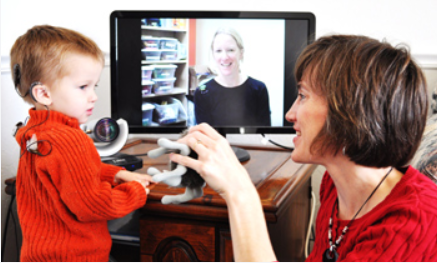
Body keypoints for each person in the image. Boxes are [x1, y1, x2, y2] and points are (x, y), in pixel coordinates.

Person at [171, 35, 437, 261]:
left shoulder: (413, 226)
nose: (289, 114)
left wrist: (240, 192)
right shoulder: (334, 187)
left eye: (302, 95)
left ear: (351, 113)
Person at [10, 25, 155, 262]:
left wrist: (116, 175)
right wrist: (136, 192)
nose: (94, 96)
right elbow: (92, 205)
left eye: (94, 86)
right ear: (44, 94)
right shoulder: (69, 138)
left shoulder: (34, 133)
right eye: (83, 87)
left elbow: (71, 173)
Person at [193, 27, 271, 126]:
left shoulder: (258, 89)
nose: (224, 57)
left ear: (241, 53)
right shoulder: (202, 92)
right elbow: (205, 136)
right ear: (213, 55)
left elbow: (264, 135)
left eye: (230, 50)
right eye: (218, 51)